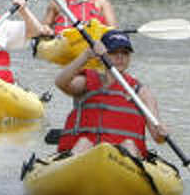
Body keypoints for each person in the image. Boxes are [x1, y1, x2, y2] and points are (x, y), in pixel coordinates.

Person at [53, 30, 167, 158]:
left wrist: (162, 133)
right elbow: (61, 82)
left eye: (125, 53)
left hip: (125, 160)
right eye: (113, 52)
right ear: (102, 55)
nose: (120, 57)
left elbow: (158, 137)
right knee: (84, 142)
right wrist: (86, 56)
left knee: (129, 144)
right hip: (86, 156)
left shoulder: (141, 92)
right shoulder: (86, 82)